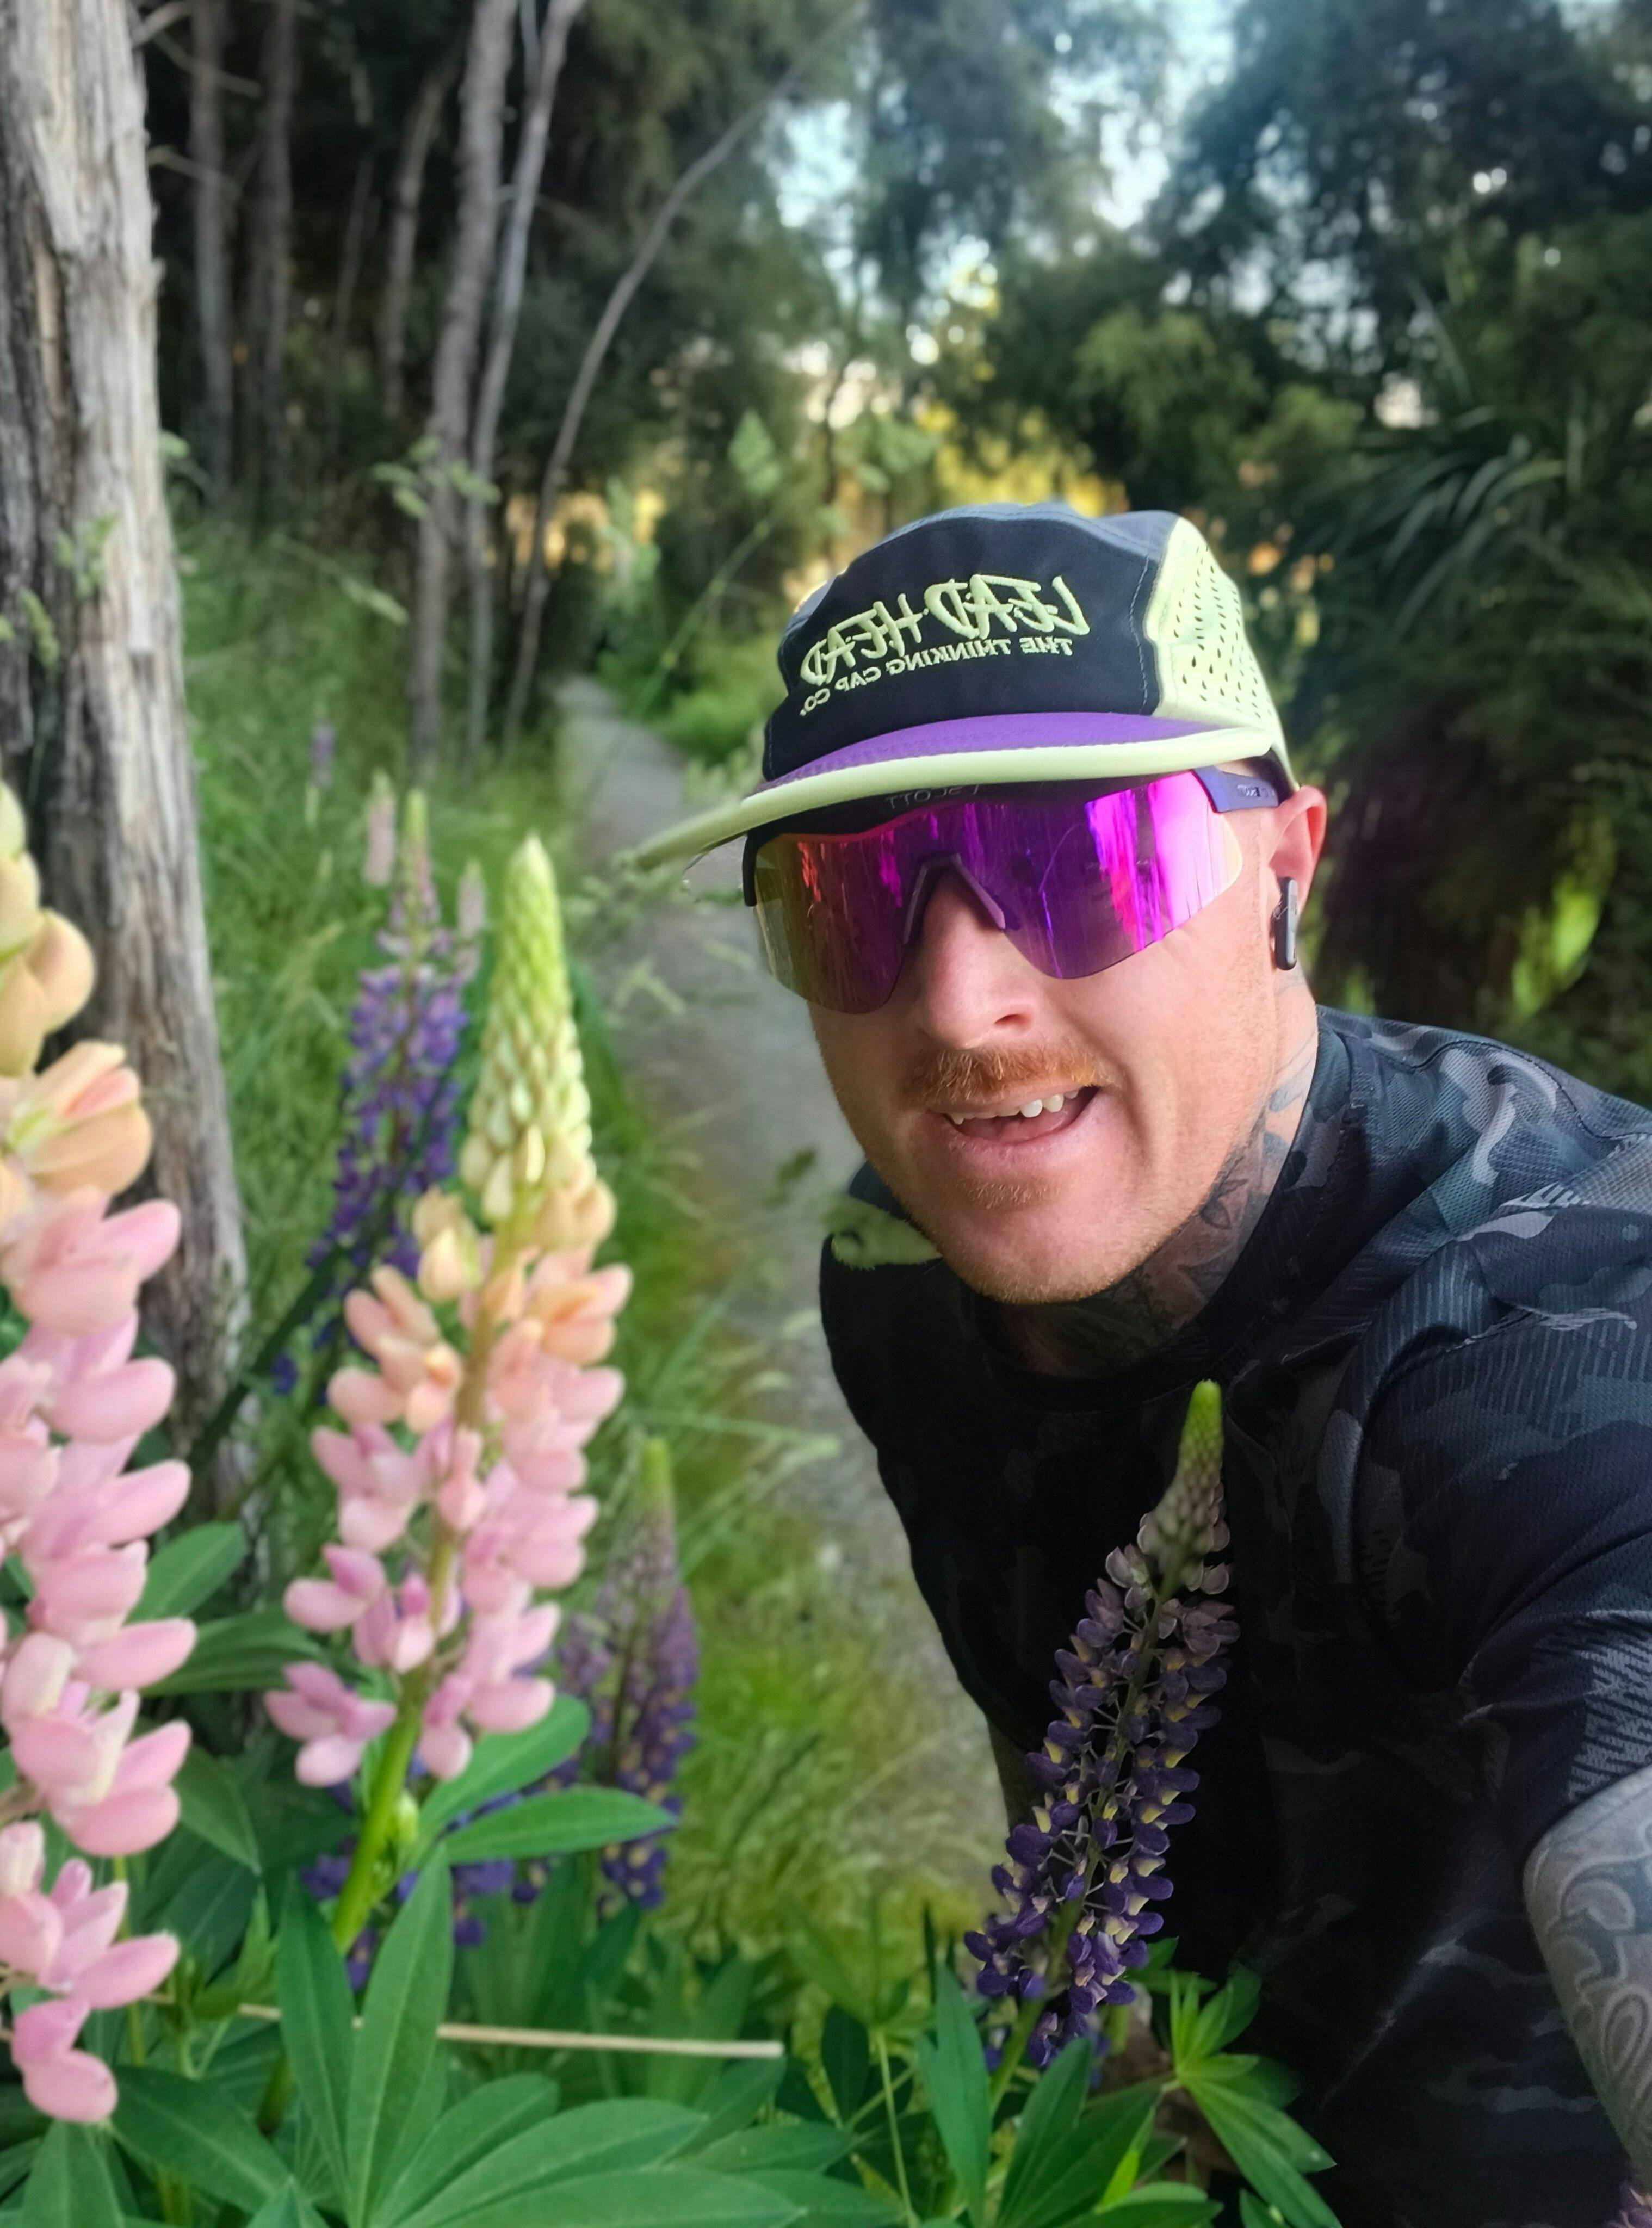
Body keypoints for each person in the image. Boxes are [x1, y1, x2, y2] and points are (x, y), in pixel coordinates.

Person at [633, 502, 1652, 2226]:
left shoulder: (1557, 1313)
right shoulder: (895, 1269)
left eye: (1085, 860)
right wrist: (1091, 2066)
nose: (957, 1007)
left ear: (1289, 866)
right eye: (848, 897)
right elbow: (1043, 1728)